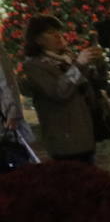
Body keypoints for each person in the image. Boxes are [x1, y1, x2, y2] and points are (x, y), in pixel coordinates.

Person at [22, 15, 105, 163]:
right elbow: (58, 92)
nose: (57, 35)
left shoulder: (67, 57)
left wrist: (96, 63)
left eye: (58, 31)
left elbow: (93, 85)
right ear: (38, 40)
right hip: (64, 136)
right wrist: (79, 65)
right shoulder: (35, 65)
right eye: (50, 32)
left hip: (84, 131)